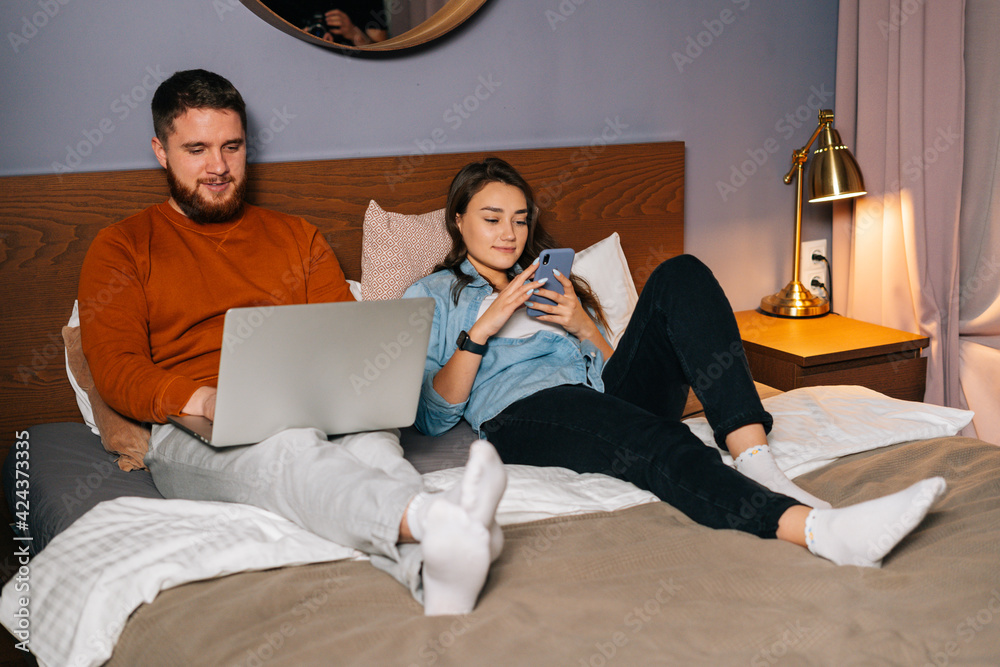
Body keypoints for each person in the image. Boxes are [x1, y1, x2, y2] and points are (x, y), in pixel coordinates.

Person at [77, 69, 504, 615]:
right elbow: (115, 368)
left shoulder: (296, 235)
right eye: (197, 149)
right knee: (288, 451)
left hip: (315, 406)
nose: (217, 167)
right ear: (160, 151)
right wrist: (201, 399)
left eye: (232, 147)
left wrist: (357, 389)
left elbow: (345, 338)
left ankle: (437, 571)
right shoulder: (122, 246)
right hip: (196, 427)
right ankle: (434, 520)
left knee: (373, 442)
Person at [403, 156, 947, 568]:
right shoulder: (433, 294)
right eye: (492, 218)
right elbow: (431, 415)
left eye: (520, 220)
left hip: (599, 397)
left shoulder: (553, 280)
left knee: (682, 272)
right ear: (458, 221)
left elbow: (609, 372)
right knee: (661, 440)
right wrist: (482, 329)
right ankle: (811, 529)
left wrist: (582, 326)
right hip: (525, 415)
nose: (509, 233)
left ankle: (754, 456)